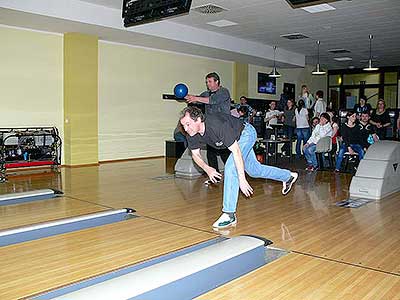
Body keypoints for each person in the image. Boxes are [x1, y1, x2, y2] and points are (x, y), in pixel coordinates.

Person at [179, 106, 298, 229]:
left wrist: (242, 179)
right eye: (183, 125)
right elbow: (195, 154)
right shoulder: (192, 134)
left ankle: (229, 214)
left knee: (231, 167)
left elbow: (236, 151)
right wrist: (207, 168)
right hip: (238, 139)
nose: (186, 129)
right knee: (255, 171)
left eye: (188, 124)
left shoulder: (216, 125)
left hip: (246, 133)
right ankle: (288, 176)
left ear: (198, 119)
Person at [185, 72, 231, 183]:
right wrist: (190, 97)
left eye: (210, 81)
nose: (208, 84)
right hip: (210, 128)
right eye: (207, 82)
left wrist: (196, 98)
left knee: (225, 153)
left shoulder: (224, 92)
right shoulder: (206, 93)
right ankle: (215, 176)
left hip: (223, 127)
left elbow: (212, 101)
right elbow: (199, 100)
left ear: (217, 82)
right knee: (211, 153)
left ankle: (236, 174)